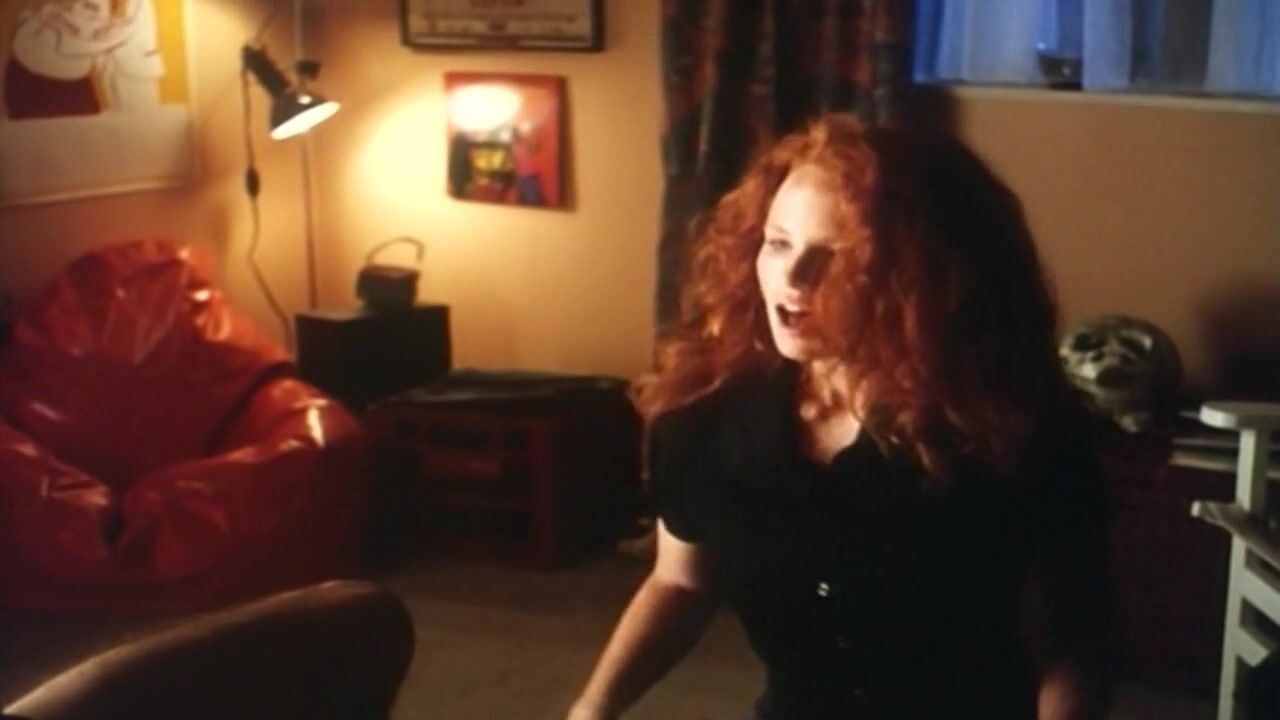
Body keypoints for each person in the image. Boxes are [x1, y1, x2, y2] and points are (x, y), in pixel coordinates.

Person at [568, 114, 1112, 719]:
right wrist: (592, 709)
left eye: (839, 257)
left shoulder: (1012, 430)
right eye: (778, 243)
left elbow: (1074, 641)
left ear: (924, 278)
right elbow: (681, 581)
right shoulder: (707, 417)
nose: (793, 278)